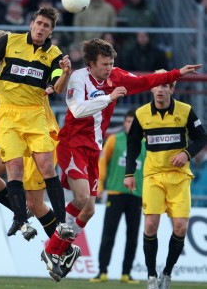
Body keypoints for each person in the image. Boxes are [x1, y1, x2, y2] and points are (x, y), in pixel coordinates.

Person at [40, 38, 202, 282]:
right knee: (82, 198)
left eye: (111, 62)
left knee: (90, 209)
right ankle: (51, 249)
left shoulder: (115, 76)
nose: (109, 67)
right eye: (104, 63)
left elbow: (146, 80)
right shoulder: (77, 78)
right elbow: (77, 110)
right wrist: (109, 98)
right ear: (91, 64)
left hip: (93, 149)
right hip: (72, 144)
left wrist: (176, 73)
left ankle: (61, 251)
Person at [0, 7, 72, 242]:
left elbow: (57, 85)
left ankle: (61, 233)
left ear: (50, 31)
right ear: (31, 24)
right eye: (38, 23)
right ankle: (21, 218)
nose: (40, 28)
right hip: (9, 120)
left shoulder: (54, 54)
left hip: (38, 122)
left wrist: (62, 77)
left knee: (38, 196)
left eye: (45, 25)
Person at [124, 69, 207, 289]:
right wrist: (129, 173)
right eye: (157, 85)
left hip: (179, 177)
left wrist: (187, 153)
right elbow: (132, 144)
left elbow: (201, 137)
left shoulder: (186, 111)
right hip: (153, 175)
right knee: (150, 225)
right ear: (152, 88)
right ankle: (151, 276)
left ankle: (167, 273)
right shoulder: (142, 114)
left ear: (172, 88)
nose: (160, 89)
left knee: (180, 227)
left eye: (165, 85)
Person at [90, 109, 146, 284]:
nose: (131, 125)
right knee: (108, 234)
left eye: (134, 122)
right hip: (115, 192)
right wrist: (100, 186)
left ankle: (126, 273)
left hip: (136, 194)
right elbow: (102, 163)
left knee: (133, 236)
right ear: (124, 123)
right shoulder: (115, 140)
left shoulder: (146, 144)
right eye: (129, 121)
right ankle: (102, 271)